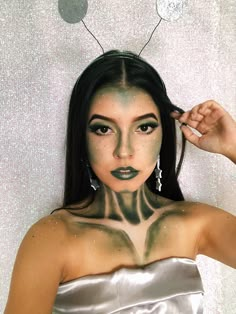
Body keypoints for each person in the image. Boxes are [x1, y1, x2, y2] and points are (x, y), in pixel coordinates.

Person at [4, 50, 236, 314]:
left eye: (144, 127)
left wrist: (233, 146)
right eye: (103, 128)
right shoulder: (52, 239)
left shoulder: (194, 223)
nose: (124, 150)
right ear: (83, 138)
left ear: (164, 133)